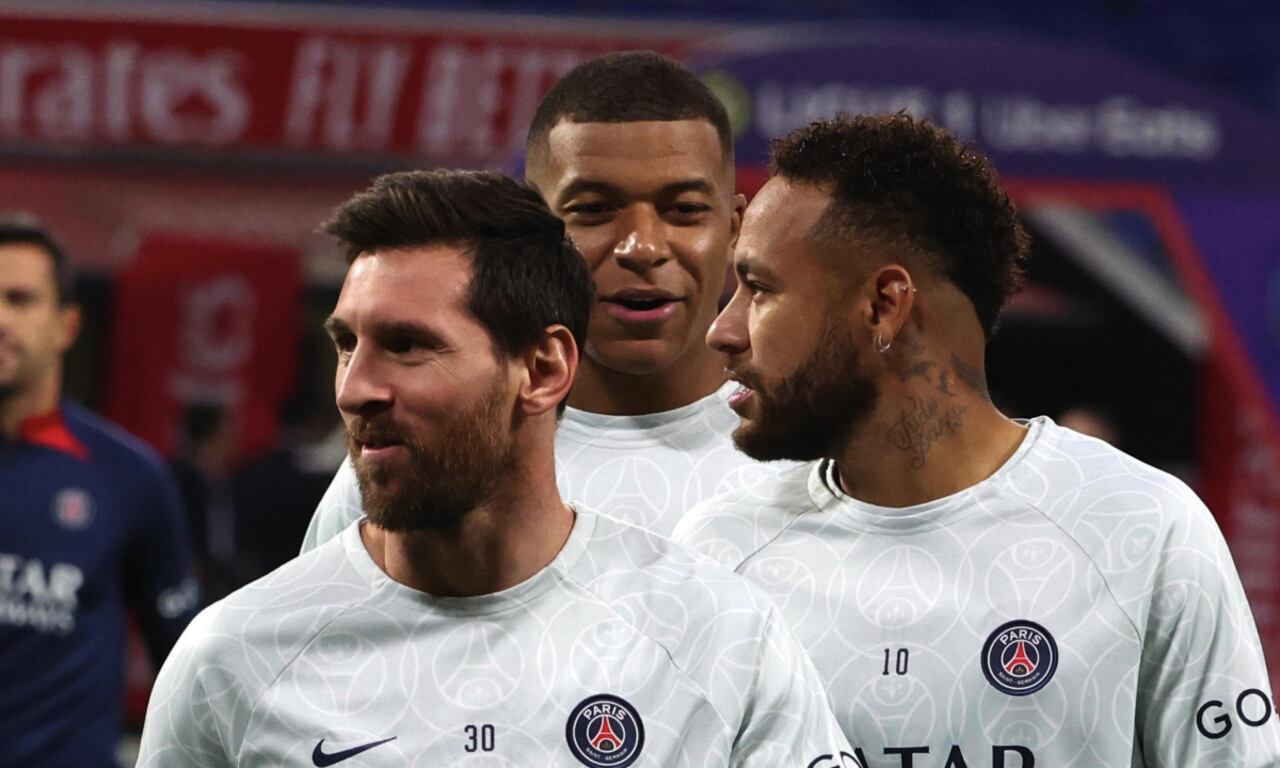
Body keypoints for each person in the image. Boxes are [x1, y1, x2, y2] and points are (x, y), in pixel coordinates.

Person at [137, 170, 853, 767]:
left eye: (408, 345)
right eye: (346, 344)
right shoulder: (231, 659)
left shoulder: (715, 633)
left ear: (542, 369)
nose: (356, 389)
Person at [673, 114, 1280, 767]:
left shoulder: (1141, 532)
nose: (723, 331)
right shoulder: (718, 554)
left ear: (884, 305)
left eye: (758, 290)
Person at [301, 51, 789, 549]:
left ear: (734, 229)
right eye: (595, 210)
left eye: (684, 210)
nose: (642, 247)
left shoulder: (818, 454)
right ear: (533, 234)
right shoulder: (423, 462)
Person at [0, 215, 198, 767]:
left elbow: (187, 667)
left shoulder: (128, 477)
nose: (0, 318)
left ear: (66, 325)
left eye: (19, 300)